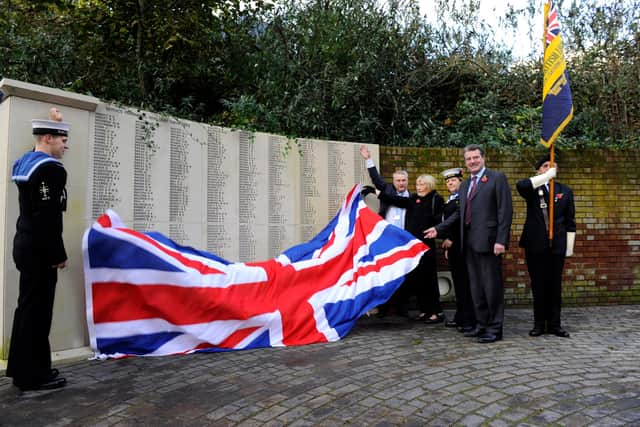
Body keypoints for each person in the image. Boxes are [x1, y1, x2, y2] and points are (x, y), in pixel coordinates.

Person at [6, 108, 70, 391]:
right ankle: (34, 376)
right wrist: (58, 254)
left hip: (25, 244)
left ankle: (25, 369)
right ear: (47, 138)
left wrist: (55, 121)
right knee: (38, 311)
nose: (66, 145)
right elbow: (48, 216)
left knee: (27, 308)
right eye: (62, 139)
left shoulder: (25, 162)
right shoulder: (50, 169)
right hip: (41, 250)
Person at [426, 144, 512, 343]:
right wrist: (439, 229)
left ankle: (495, 328)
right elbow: (458, 214)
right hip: (468, 244)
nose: (472, 161)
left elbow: (505, 211)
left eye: (475, 157)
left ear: (483, 158)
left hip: (490, 243)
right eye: (469, 159)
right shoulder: (464, 185)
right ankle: (481, 325)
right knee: (476, 287)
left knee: (491, 287)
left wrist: (501, 240)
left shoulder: (496, 178)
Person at [517, 154, 575, 338]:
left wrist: (569, 247)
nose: (549, 168)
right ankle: (539, 324)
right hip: (535, 244)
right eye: (545, 166)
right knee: (538, 284)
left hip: (557, 245)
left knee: (554, 285)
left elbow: (570, 220)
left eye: (552, 166)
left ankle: (555, 324)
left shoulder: (564, 190)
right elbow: (521, 185)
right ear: (539, 170)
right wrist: (545, 176)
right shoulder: (532, 189)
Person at [377, 175, 445, 323]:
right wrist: (378, 194)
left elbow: (440, 220)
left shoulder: (436, 199)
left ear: (429, 185)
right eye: (418, 184)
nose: (419, 187)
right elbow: (398, 201)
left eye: (422, 184)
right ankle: (424, 310)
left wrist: (437, 230)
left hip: (426, 245)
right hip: (413, 246)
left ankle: (434, 312)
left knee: (429, 280)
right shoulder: (414, 199)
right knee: (419, 279)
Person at [360, 144, 410, 316]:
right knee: (386, 272)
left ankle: (402, 308)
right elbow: (376, 179)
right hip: (387, 239)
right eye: (398, 180)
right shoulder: (387, 190)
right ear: (394, 181)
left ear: (407, 182)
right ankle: (385, 307)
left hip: (404, 240)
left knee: (404, 274)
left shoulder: (413, 197)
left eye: (403, 181)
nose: (401, 183)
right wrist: (368, 159)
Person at [439, 168, 476, 333]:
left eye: (453, 180)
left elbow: (464, 222)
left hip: (463, 246)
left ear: (461, 181)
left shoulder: (465, 199)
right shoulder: (451, 200)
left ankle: (468, 319)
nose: (450, 183)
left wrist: (451, 239)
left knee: (465, 284)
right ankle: (461, 316)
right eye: (447, 181)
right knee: (460, 284)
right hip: (454, 248)